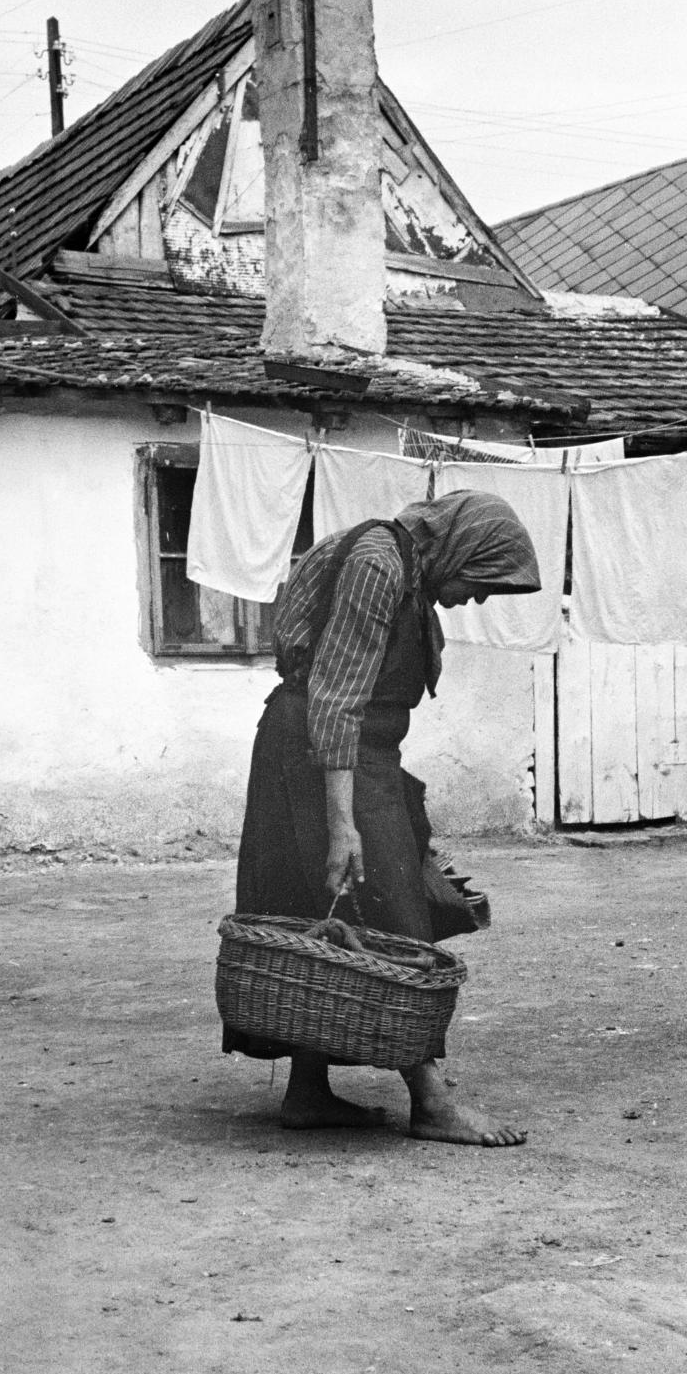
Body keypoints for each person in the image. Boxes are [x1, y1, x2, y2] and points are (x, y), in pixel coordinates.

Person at [223, 489, 541, 1145]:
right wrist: (345, 825)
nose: (472, 599)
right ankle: (430, 1101)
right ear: (456, 547)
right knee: (389, 912)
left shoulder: (406, 573)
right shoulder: (378, 566)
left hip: (346, 752)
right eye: (476, 583)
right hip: (315, 750)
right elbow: (336, 702)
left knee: (321, 911)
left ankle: (307, 1092)